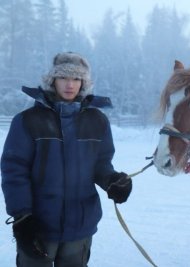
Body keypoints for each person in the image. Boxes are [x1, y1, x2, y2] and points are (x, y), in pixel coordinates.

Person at [1, 52, 132, 267]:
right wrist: (23, 216)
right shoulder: (27, 121)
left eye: (77, 79)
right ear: (52, 80)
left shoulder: (97, 121)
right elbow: (14, 172)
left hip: (80, 227)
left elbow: (100, 164)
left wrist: (112, 181)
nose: (70, 84)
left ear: (84, 83)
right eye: (64, 78)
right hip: (38, 226)